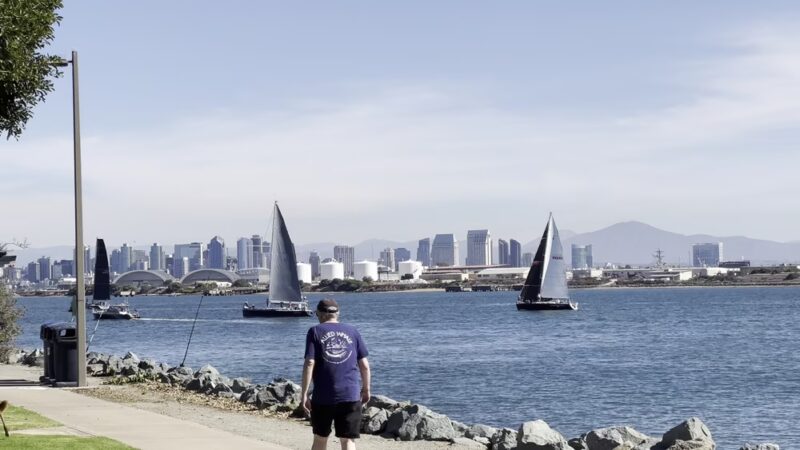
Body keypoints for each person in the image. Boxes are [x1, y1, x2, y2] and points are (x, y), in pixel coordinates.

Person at [301, 298, 370, 450]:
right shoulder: (353, 331)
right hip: (350, 395)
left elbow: (310, 363)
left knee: (320, 438)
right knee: (348, 440)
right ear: (337, 313)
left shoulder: (315, 331)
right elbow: (364, 365)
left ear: (320, 314)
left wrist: (304, 394)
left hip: (323, 396)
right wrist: (366, 389)